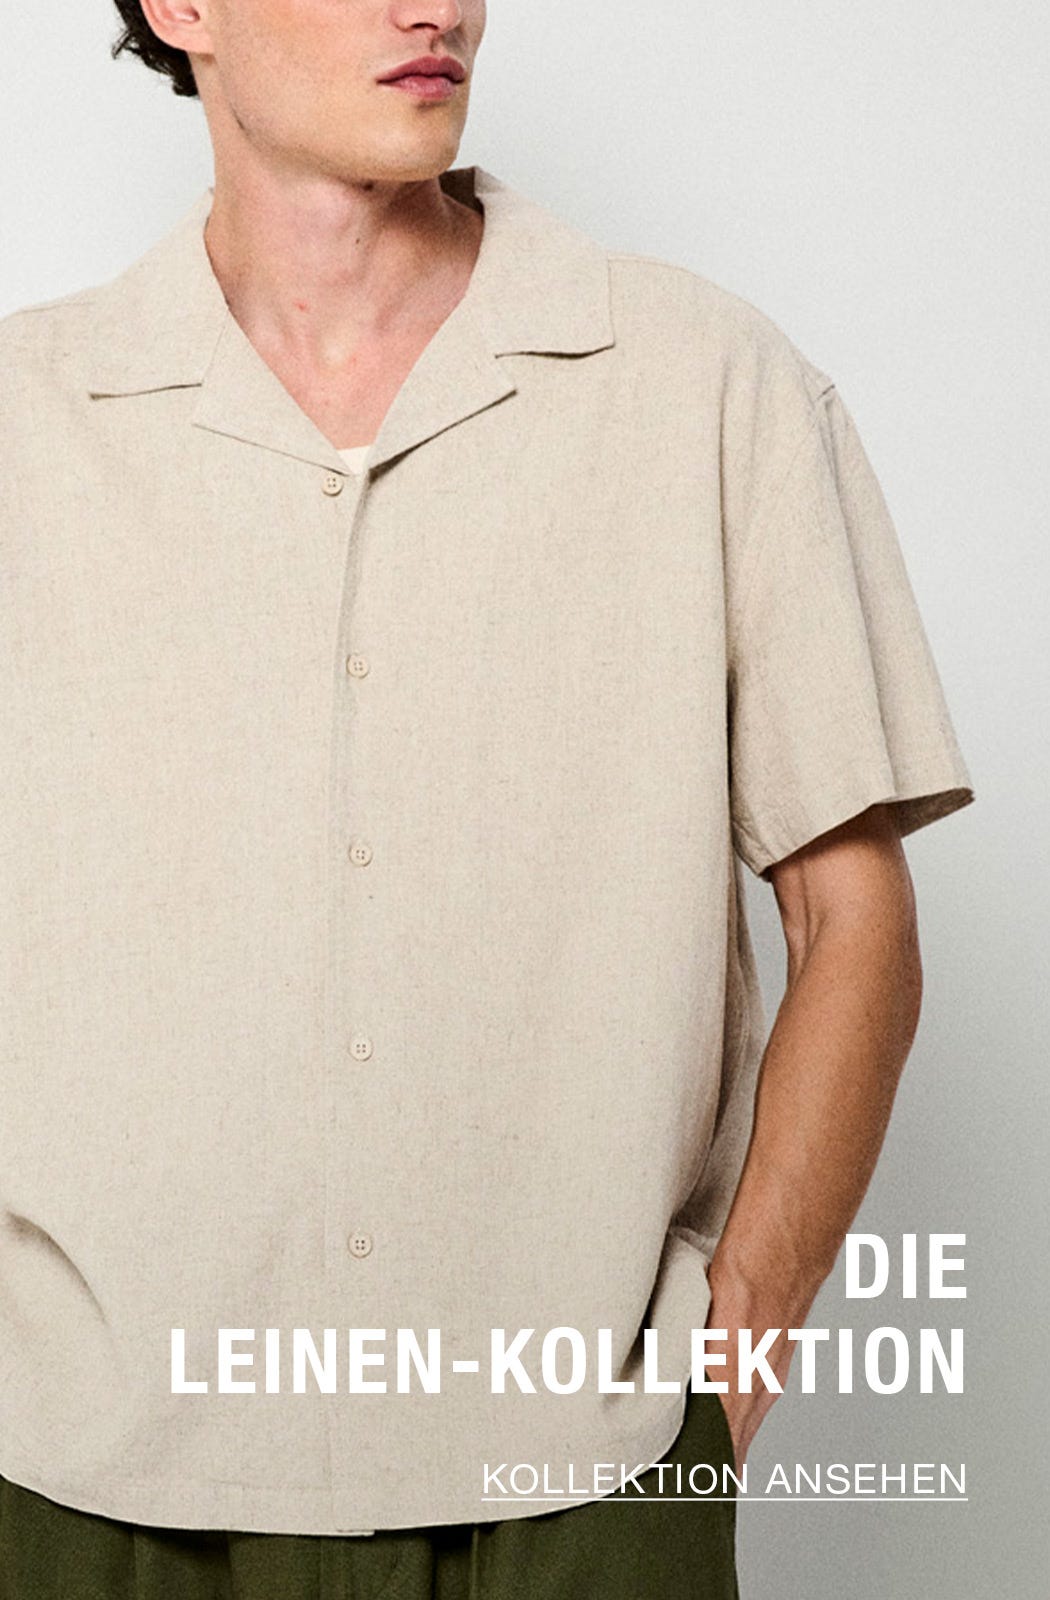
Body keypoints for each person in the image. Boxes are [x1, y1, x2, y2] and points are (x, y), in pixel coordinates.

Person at [0, 2, 975, 1596]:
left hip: (579, 1477)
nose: (434, 7)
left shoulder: (703, 381)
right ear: (182, 9)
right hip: (73, 1475)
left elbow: (848, 913)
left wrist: (725, 1370)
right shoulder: (25, 421)